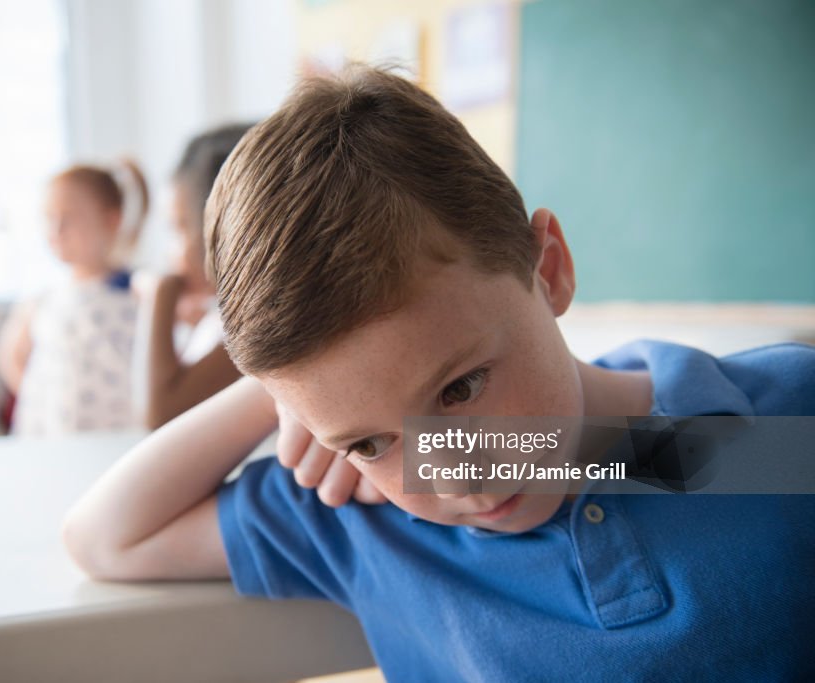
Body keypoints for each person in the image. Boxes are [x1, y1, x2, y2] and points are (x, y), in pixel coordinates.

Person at [61, 66, 815, 681]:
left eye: (460, 388)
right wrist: (283, 388)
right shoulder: (374, 521)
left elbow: (641, 453)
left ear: (546, 268)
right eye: (368, 441)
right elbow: (109, 536)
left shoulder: (778, 428)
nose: (456, 474)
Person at [0, 159, 148, 435]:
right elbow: (11, 356)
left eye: (68, 218)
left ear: (111, 220)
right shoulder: (43, 298)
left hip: (119, 435)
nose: (56, 230)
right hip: (56, 434)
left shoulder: (139, 291)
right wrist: (43, 399)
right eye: (49, 218)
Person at [132, 124, 252, 429]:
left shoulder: (260, 324)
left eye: (180, 227)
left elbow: (159, 414)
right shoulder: (220, 318)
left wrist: (162, 293)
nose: (170, 253)